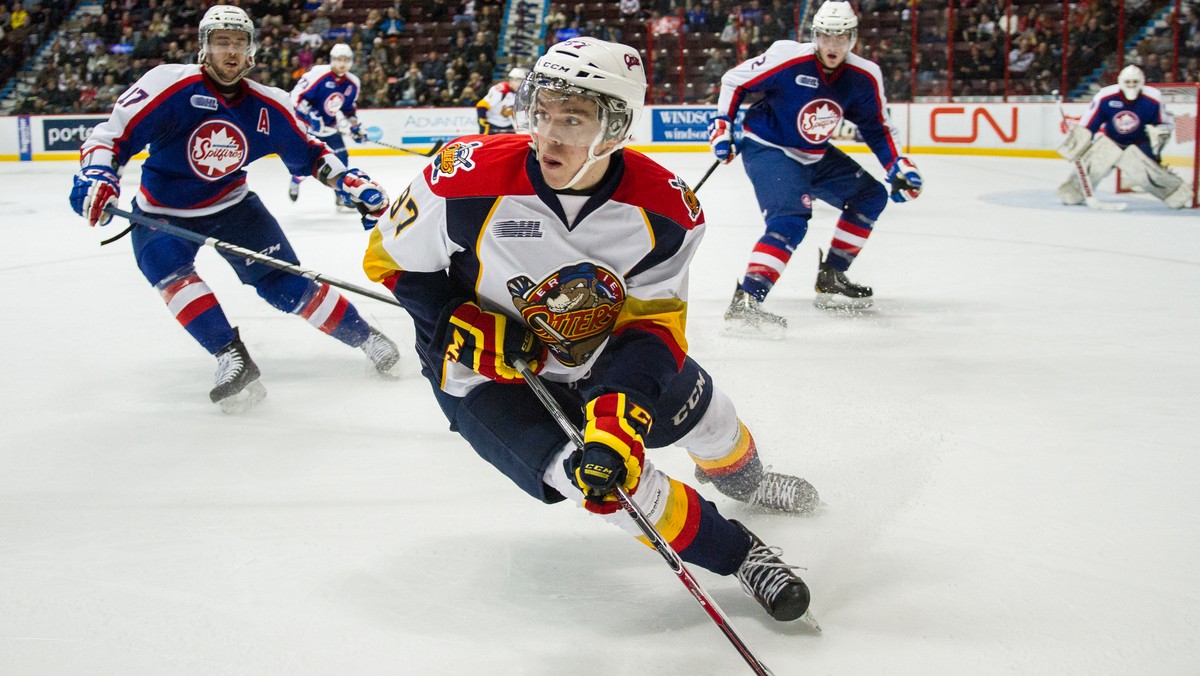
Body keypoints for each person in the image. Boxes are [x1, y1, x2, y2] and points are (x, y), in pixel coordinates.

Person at [362, 37, 820, 624]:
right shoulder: (461, 178)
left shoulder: (667, 213)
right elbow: (390, 259)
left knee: (713, 416)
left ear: (616, 126)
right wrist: (457, 319)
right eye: (543, 112)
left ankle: (752, 484)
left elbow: (653, 328)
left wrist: (618, 414)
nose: (549, 134)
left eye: (573, 119)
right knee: (601, 482)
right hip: (480, 374)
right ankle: (742, 555)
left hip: (599, 353)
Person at [69, 5, 402, 413]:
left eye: (239, 43)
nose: (230, 52)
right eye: (220, 42)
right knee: (169, 273)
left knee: (288, 287)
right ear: (203, 48)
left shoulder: (269, 105)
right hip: (160, 213)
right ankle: (231, 354)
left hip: (234, 209)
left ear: (252, 53)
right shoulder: (168, 85)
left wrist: (351, 183)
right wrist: (98, 176)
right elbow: (111, 136)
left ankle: (367, 337)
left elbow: (313, 154)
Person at [708, 0, 923, 336]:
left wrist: (898, 165)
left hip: (814, 153)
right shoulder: (788, 57)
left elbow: (877, 128)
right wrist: (722, 125)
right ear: (814, 35)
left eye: (840, 38)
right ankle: (748, 299)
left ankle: (832, 277)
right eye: (826, 36)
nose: (832, 45)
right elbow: (735, 81)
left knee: (870, 196)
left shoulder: (864, 76)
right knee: (790, 219)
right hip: (769, 147)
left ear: (852, 38)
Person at [1056, 65, 1189, 209]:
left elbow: (1162, 123)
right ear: (1120, 81)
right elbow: (1089, 123)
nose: (1131, 85)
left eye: (1135, 82)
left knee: (1151, 174)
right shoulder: (1105, 96)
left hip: (1138, 142)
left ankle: (1178, 196)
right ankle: (1073, 193)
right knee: (1090, 168)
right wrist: (1077, 143)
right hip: (1111, 140)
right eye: (1128, 82)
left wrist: (1160, 134)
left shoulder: (1153, 97)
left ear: (1142, 82)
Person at [288, 43, 368, 209]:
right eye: (339, 59)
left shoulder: (353, 83)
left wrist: (355, 127)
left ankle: (341, 194)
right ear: (332, 60)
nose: (342, 63)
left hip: (330, 128)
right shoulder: (319, 73)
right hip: (306, 127)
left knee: (341, 161)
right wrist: (311, 114)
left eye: (346, 59)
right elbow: (296, 96)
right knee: (308, 164)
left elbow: (348, 109)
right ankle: (296, 179)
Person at [474, 67, 527, 134]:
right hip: (492, 124)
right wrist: (483, 121)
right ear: (511, 80)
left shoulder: (522, 92)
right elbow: (481, 105)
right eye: (516, 81)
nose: (519, 84)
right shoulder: (500, 90)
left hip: (508, 125)